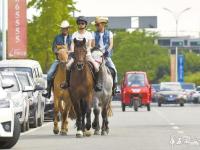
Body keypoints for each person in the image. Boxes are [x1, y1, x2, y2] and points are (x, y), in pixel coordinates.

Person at [61, 16, 101, 91]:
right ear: (78, 24)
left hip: (87, 55)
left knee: (96, 67)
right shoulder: (74, 34)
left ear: (85, 24)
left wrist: (86, 51)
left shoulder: (89, 34)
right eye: (79, 23)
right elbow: (72, 44)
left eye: (82, 23)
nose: (81, 25)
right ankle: (67, 82)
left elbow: (89, 46)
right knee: (68, 66)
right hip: (76, 55)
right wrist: (72, 51)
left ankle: (96, 84)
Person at [42, 20, 72, 98]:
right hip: (59, 60)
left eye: (65, 28)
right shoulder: (57, 37)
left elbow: (73, 49)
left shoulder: (72, 38)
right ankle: (48, 92)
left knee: (77, 74)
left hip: (69, 60)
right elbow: (54, 48)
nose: (64, 30)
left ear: (68, 29)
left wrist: (68, 52)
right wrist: (58, 52)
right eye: (62, 28)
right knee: (49, 74)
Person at [91, 16, 118, 94]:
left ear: (103, 24)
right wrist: (96, 51)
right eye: (96, 25)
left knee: (114, 70)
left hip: (106, 56)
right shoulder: (93, 33)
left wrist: (107, 51)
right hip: (96, 56)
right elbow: (93, 45)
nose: (97, 26)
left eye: (98, 24)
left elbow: (111, 44)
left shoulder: (109, 33)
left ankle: (114, 87)